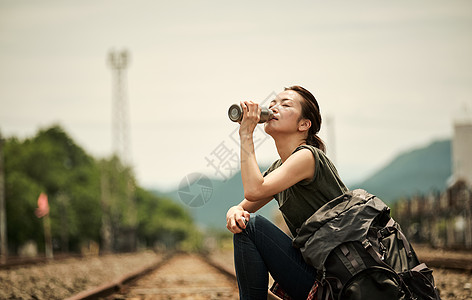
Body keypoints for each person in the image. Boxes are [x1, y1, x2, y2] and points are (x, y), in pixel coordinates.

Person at [225, 85, 348, 300]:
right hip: (318, 275)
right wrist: (233, 211)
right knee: (245, 224)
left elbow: (254, 190)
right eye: (273, 104)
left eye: (285, 104)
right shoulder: (280, 169)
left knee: (251, 227)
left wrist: (246, 133)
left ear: (304, 124)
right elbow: (244, 205)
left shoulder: (308, 157)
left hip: (339, 282)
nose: (274, 108)